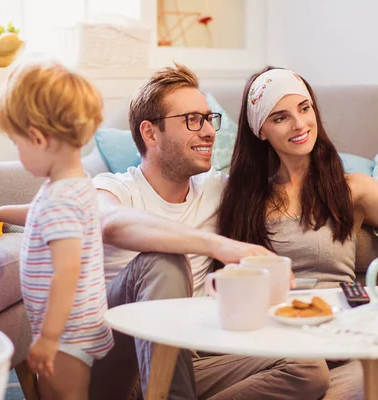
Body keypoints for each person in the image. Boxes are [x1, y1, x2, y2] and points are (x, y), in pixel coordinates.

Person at [218, 66, 378, 400]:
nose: (299, 124)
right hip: (278, 347)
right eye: (280, 117)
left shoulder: (353, 189)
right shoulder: (242, 197)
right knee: (368, 384)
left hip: (342, 338)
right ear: (260, 130)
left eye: (304, 109)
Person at [89, 63, 330, 399]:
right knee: (164, 261)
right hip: (118, 364)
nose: (208, 131)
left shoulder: (216, 190)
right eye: (192, 120)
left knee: (307, 368)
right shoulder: (114, 188)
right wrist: (219, 246)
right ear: (150, 133)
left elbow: (297, 188)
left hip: (192, 361)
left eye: (208, 118)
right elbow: (109, 223)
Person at [0, 59, 114, 400]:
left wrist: (49, 338)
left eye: (16, 143)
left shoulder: (61, 198)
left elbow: (67, 270)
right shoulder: (72, 185)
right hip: (74, 326)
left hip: (67, 333)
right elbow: (38, 215)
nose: (17, 151)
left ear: (37, 138)